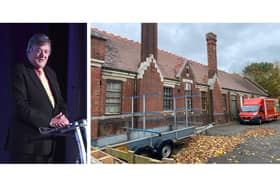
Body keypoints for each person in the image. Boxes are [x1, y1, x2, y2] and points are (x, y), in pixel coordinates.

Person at [6, 34, 69, 163]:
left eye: (46, 51)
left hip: (47, 146)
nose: (42, 55)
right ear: (29, 50)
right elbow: (20, 106)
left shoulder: (50, 73)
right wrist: (50, 121)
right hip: (26, 147)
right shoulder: (19, 71)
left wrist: (63, 117)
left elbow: (60, 102)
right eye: (38, 50)